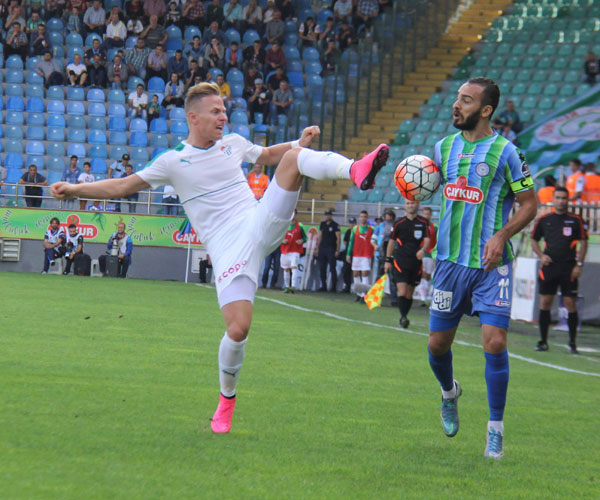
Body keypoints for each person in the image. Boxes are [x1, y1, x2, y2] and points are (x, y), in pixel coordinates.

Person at [50, 81, 390, 434]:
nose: (223, 117)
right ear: (193, 117)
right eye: (215, 112)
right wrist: (76, 189)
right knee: (238, 329)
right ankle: (226, 399)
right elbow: (122, 186)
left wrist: (296, 142)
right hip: (227, 249)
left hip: (258, 222)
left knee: (293, 160)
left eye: (224, 111)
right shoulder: (172, 161)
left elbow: (268, 155)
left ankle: (356, 169)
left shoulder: (233, 143)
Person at [427, 77, 537, 459]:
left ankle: (495, 430)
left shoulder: (508, 153)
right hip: (449, 263)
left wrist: (502, 235)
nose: (456, 105)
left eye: (466, 100)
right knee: (437, 345)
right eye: (457, 98)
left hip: (492, 266)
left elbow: (529, 204)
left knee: (495, 342)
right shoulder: (443, 148)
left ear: (486, 110)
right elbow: (429, 187)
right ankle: (449, 393)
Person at [531, 186, 588, 354]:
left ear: (568, 200)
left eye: (564, 198)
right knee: (545, 302)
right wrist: (541, 255)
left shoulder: (576, 220)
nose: (561, 201)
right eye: (558, 198)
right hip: (549, 267)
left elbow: (584, 242)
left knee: (570, 303)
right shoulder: (544, 219)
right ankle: (543, 341)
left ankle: (572, 343)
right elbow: (534, 240)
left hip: (569, 268)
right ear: (553, 199)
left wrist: (579, 265)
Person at [384, 200, 430, 327]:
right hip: (400, 260)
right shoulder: (398, 223)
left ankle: (404, 315)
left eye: (413, 203)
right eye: (408, 203)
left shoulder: (423, 222)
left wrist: (423, 250)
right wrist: (388, 260)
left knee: (409, 294)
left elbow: (427, 239)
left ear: (418, 205)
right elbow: (391, 242)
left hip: (415, 262)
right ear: (405, 205)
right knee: (403, 292)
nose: (411, 205)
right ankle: (403, 317)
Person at [346, 210, 376, 302]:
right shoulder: (355, 228)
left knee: (365, 274)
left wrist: (374, 253)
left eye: (365, 217)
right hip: (356, 254)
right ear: (359, 218)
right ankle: (359, 294)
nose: (363, 218)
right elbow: (351, 242)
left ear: (367, 218)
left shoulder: (371, 229)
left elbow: (374, 241)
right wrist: (348, 254)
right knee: (355, 274)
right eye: (361, 216)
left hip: (366, 254)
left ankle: (364, 295)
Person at [373, 209, 397, 305]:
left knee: (392, 278)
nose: (388, 217)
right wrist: (375, 246)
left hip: (392, 255)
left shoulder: (396, 226)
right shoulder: (380, 226)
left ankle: (394, 299)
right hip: (381, 254)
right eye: (387, 215)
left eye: (390, 215)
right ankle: (375, 298)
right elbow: (373, 239)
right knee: (379, 277)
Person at [280, 210, 306, 293]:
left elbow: (305, 237)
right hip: (285, 250)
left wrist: (302, 240)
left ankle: (293, 286)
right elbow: (278, 236)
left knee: (294, 267)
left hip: (295, 250)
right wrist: (282, 241)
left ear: (296, 215)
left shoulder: (300, 226)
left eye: (294, 214)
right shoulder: (284, 225)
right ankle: (287, 287)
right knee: (286, 269)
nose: (292, 216)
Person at [415, 206, 437, 302]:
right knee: (422, 273)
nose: (426, 216)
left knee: (427, 274)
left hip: (429, 254)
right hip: (419, 253)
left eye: (428, 214)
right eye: (424, 214)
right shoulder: (418, 226)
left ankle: (425, 294)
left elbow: (438, 240)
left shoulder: (434, 227)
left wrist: (434, 249)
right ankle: (422, 295)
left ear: (430, 215)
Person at [316, 208, 340, 292]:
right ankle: (323, 285)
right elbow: (320, 236)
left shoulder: (335, 225)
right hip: (323, 248)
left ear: (331, 215)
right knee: (322, 268)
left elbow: (338, 238)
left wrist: (337, 250)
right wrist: (317, 248)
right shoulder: (322, 224)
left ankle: (333, 287)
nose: (327, 216)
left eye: (329, 214)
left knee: (332, 268)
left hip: (331, 248)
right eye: (326, 215)